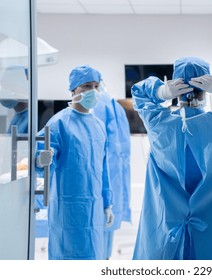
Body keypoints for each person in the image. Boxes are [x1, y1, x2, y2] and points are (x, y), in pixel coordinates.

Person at [131, 56, 212, 260]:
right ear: (206, 88)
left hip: (167, 230)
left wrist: (161, 92)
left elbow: (139, 92)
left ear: (175, 89)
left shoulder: (159, 123)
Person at [35, 65, 114, 260]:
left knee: (93, 254)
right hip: (68, 208)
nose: (92, 91)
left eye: (96, 86)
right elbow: (42, 166)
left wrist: (107, 203)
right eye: (86, 86)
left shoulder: (98, 125)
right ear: (73, 91)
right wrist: (41, 160)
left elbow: (103, 169)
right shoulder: (58, 123)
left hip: (94, 207)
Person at [92, 82, 131, 260]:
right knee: (107, 225)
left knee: (99, 228)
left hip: (104, 173)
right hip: (116, 174)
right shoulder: (115, 106)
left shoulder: (100, 106)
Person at [0, 65, 29, 134]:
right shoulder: (18, 117)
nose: (4, 91)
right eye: (3, 86)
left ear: (24, 87)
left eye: (9, 86)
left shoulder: (31, 119)